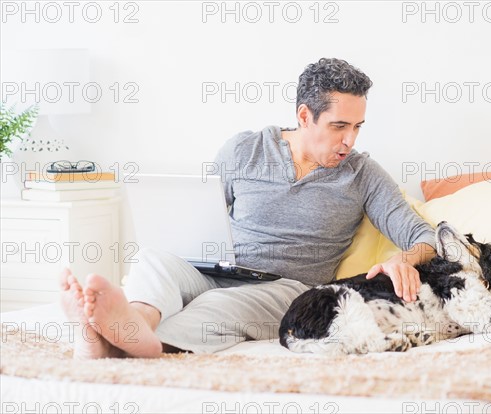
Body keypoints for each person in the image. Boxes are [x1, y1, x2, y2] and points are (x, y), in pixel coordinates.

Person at [59, 58, 437, 359]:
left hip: (287, 289)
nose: (349, 140)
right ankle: (129, 325)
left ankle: (121, 343)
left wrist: (403, 259)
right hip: (217, 269)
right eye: (340, 126)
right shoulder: (245, 150)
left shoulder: (362, 174)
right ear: (305, 116)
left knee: (218, 305)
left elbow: (424, 236)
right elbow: (202, 213)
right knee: (153, 260)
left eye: (357, 126)